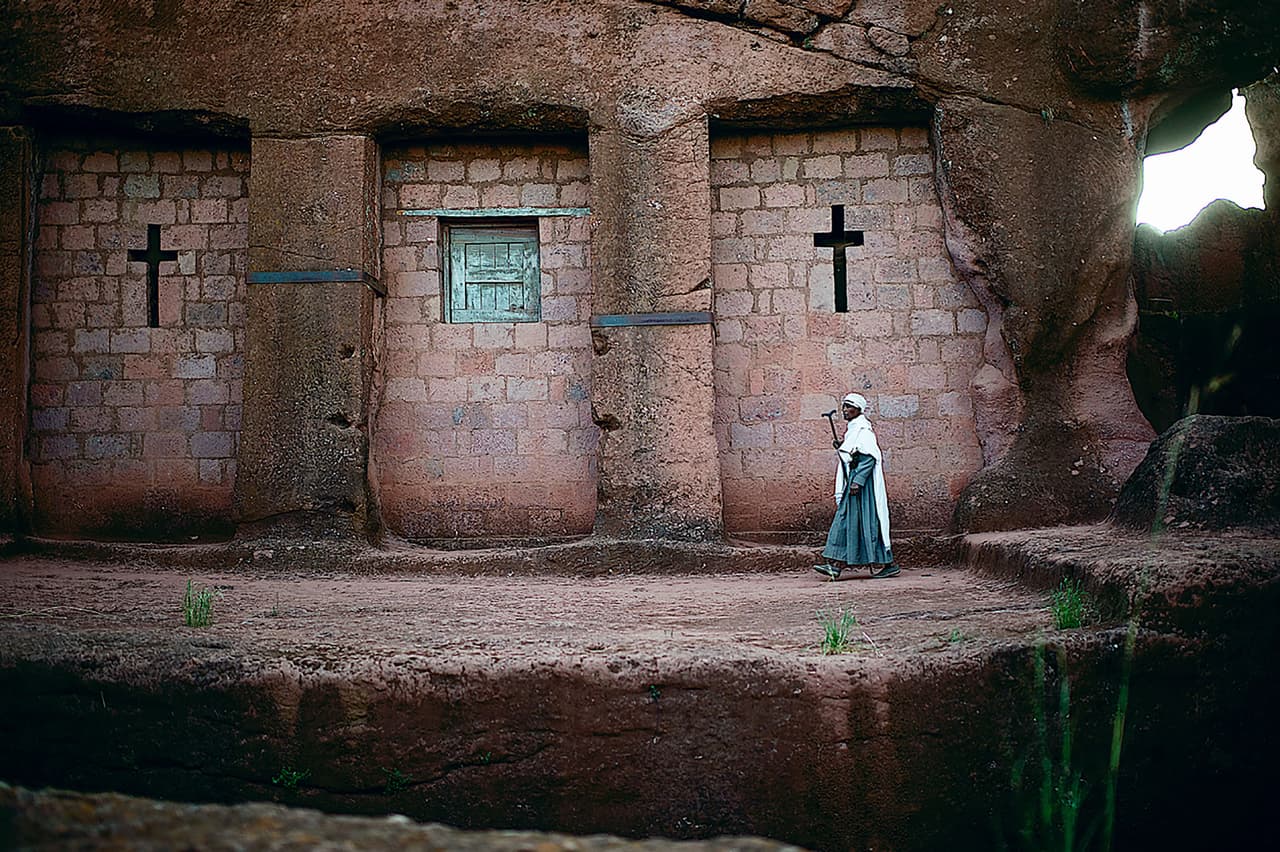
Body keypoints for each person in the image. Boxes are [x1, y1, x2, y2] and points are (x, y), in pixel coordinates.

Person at [813, 393, 898, 580]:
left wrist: (858, 481)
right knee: (857, 522)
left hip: (861, 486)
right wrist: (843, 446)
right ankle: (883, 563)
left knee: (851, 519)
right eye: (843, 407)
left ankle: (836, 565)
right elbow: (856, 450)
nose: (845, 410)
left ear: (858, 409)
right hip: (855, 482)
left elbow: (869, 457)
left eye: (848, 407)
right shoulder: (855, 428)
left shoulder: (863, 430)